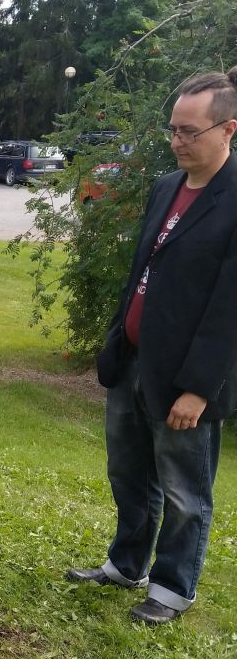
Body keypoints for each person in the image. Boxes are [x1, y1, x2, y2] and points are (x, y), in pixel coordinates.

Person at [67, 66, 237, 624]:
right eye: (172, 130)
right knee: (129, 472)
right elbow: (142, 271)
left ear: (228, 129)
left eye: (190, 132)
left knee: (186, 491)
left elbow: (228, 310)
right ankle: (127, 563)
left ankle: (172, 588)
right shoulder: (166, 187)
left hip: (186, 377)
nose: (177, 142)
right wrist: (118, 339)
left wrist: (197, 390)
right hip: (136, 360)